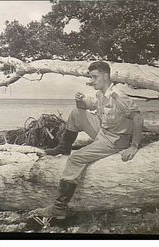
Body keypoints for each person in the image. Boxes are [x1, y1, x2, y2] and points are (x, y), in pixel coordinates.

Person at [33, 61, 143, 219]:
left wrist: (134, 146)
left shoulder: (118, 96)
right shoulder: (100, 94)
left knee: (76, 158)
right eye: (90, 77)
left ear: (105, 76)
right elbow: (84, 107)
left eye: (94, 77)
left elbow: (138, 118)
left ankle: (59, 207)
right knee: (76, 112)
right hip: (103, 131)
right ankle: (64, 146)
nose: (91, 81)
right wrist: (79, 100)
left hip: (114, 140)